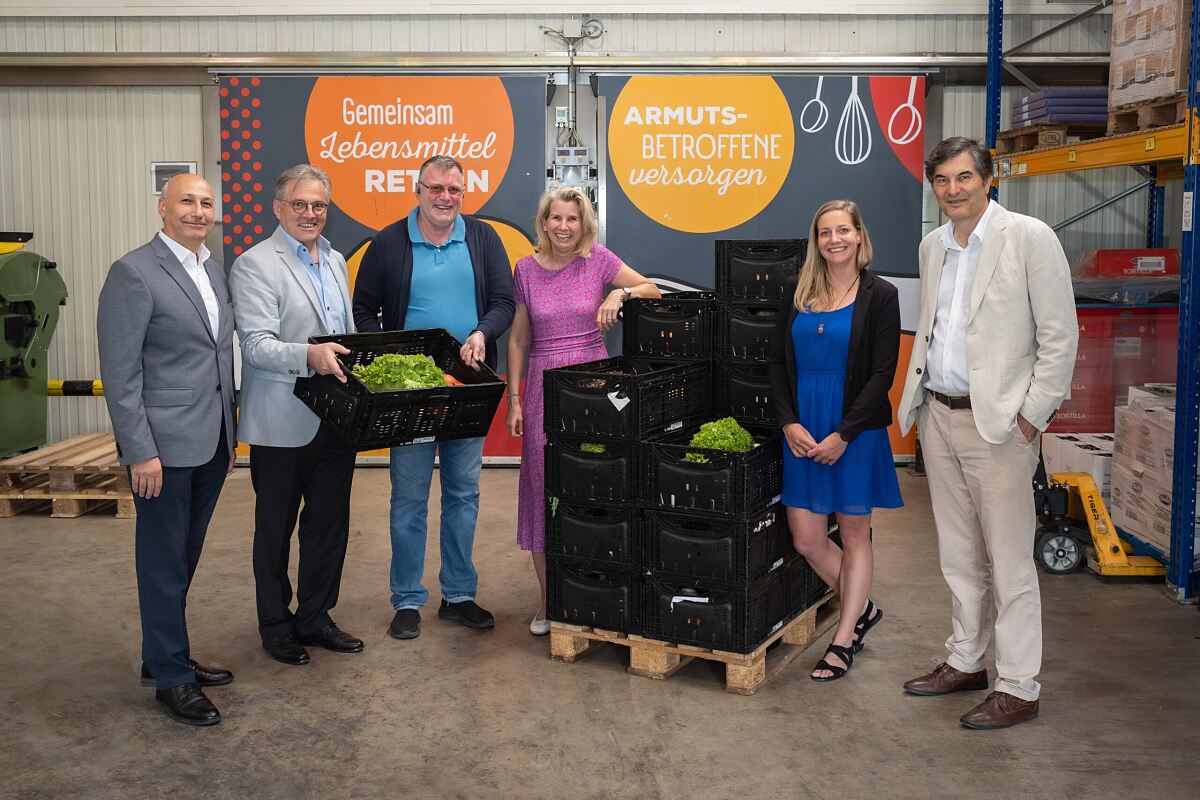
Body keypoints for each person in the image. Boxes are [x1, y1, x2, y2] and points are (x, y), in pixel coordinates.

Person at [897, 137, 1077, 729]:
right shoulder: (932, 246)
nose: (953, 189)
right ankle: (967, 659)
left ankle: (1019, 684)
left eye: (964, 177)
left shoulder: (1028, 238)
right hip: (939, 417)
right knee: (957, 552)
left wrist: (1032, 417)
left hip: (1000, 425)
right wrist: (920, 408)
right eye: (943, 180)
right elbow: (936, 329)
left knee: (1009, 558)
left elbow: (1059, 338)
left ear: (988, 179)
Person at [352, 155, 515, 640]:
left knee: (464, 494)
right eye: (436, 188)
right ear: (417, 189)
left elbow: (504, 303)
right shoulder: (389, 242)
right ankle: (406, 599)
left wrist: (484, 333)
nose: (446, 198)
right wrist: (390, 357)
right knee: (409, 498)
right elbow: (364, 308)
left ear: (464, 193)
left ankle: (458, 594)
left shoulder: (483, 239)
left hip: (467, 389)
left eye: (455, 190)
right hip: (412, 396)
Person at [97, 173, 237, 726]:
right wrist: (139, 450)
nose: (198, 211)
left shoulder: (213, 271)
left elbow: (219, 357)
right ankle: (172, 679)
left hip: (211, 438)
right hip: (162, 446)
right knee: (161, 561)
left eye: (206, 203)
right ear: (163, 207)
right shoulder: (133, 272)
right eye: (187, 201)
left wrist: (231, 430)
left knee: (183, 557)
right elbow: (120, 371)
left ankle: (162, 655)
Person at [505, 186, 661, 635]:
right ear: (544, 222)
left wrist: (620, 297)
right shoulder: (526, 270)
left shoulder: (600, 261)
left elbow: (650, 290)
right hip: (542, 388)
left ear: (584, 223)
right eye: (556, 218)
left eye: (572, 219)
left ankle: (597, 588)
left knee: (595, 486)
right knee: (542, 489)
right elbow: (517, 339)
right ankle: (549, 598)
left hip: (594, 388)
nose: (564, 227)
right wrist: (514, 398)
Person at [230, 164, 364, 666]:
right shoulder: (255, 264)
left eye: (319, 206)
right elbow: (257, 346)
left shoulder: (335, 261)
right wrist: (308, 355)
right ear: (278, 208)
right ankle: (275, 624)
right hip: (282, 421)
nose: (310, 214)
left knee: (329, 525)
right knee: (275, 529)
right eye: (300, 205)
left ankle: (315, 617)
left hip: (337, 420)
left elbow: (346, 337)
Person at [768, 199, 903, 682]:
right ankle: (861, 608)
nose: (834, 240)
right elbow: (779, 365)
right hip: (803, 431)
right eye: (824, 233)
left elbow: (882, 374)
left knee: (852, 534)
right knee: (806, 539)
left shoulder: (881, 295)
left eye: (843, 230)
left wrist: (844, 433)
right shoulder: (798, 290)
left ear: (859, 235)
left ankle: (844, 639)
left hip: (855, 431)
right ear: (816, 240)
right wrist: (788, 423)